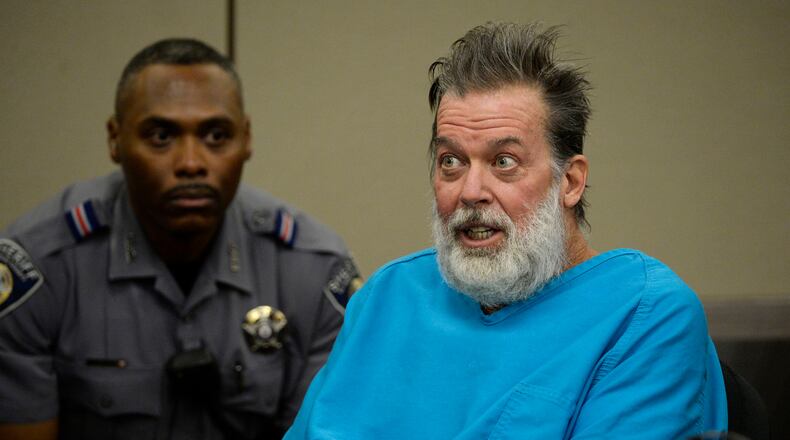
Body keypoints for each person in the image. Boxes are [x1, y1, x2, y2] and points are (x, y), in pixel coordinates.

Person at [285, 22, 727, 439]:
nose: (471, 191)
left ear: (569, 182)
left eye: (504, 162)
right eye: (451, 162)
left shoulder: (644, 315)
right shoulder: (386, 297)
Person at [0, 38, 361, 440]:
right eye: (160, 136)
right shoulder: (40, 268)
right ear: (115, 139)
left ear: (246, 139)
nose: (191, 163)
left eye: (216, 136)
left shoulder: (311, 271)